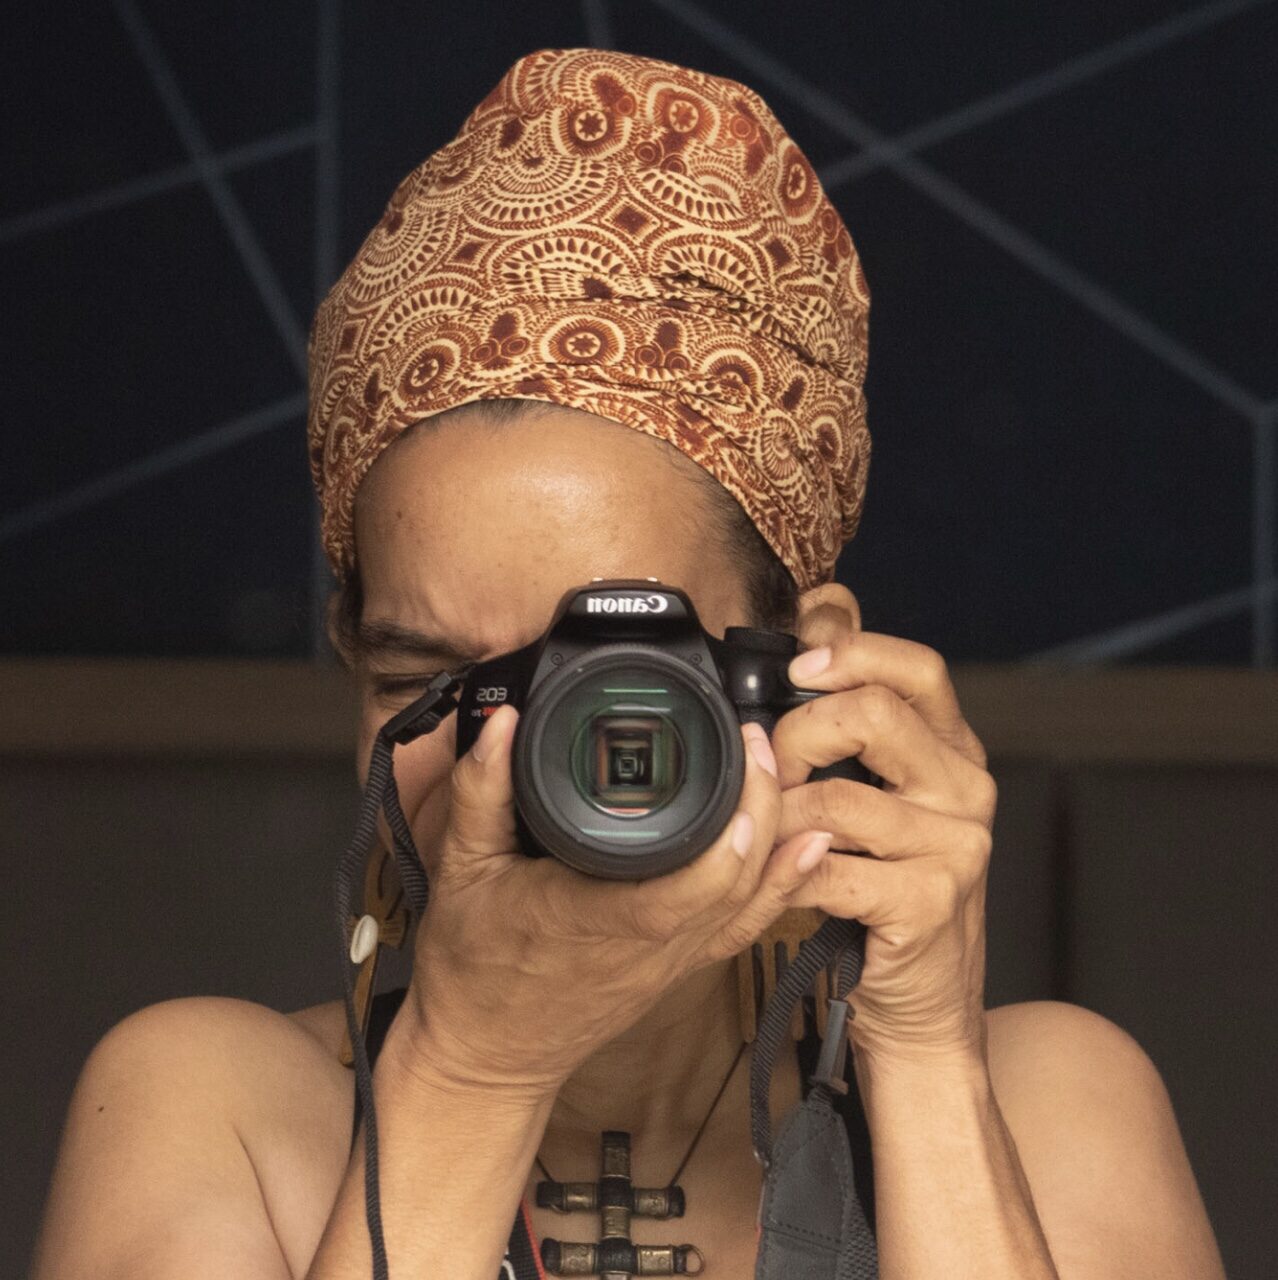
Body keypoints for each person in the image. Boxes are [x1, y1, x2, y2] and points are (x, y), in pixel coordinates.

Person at [31, 48, 1224, 1280]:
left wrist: (923, 1060)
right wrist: (471, 1068)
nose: (507, 757)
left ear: (810, 666)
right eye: (428, 682)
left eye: (598, 669)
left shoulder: (1058, 1110)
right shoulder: (207, 1109)